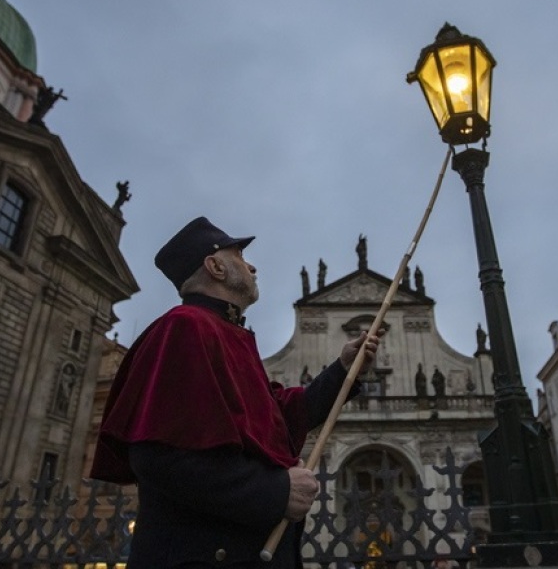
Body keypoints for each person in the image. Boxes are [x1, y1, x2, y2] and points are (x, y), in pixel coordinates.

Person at [91, 216, 379, 568]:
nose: (252, 265)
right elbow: (157, 456)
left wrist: (343, 372)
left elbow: (276, 419)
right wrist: (276, 492)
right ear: (215, 267)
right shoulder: (185, 327)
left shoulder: (227, 333)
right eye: (240, 255)